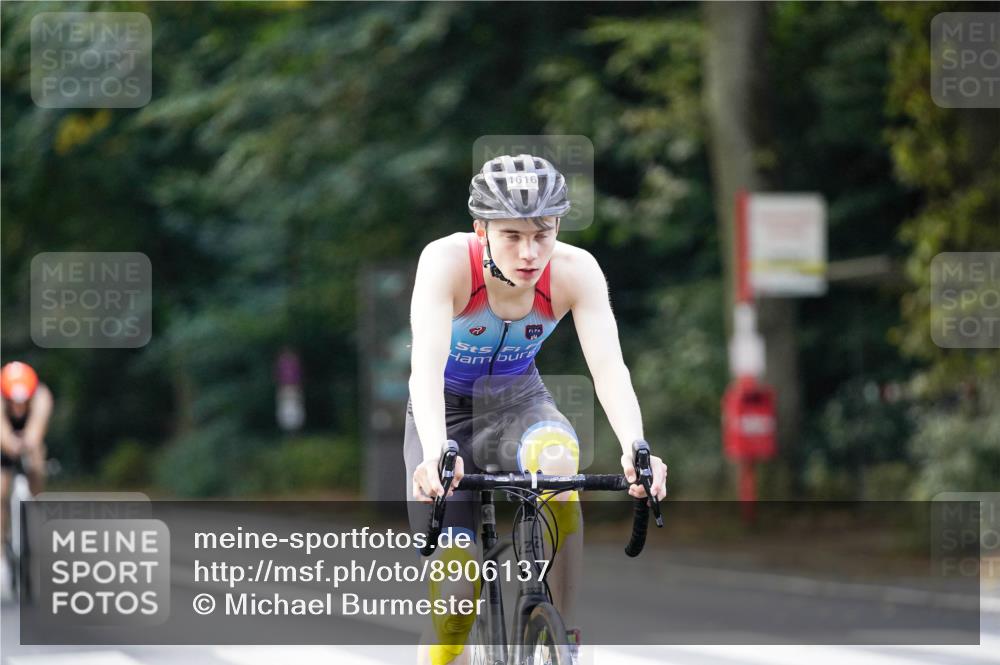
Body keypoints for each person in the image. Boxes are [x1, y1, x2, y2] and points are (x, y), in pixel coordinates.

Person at [405, 154, 668, 665]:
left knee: (559, 463)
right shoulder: (445, 263)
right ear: (481, 230)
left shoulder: (575, 271)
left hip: (518, 403)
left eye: (542, 234)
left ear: (558, 228)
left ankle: (561, 636)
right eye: (512, 236)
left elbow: (610, 369)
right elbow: (426, 369)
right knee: (456, 605)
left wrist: (637, 448)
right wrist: (437, 451)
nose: (530, 253)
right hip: (445, 412)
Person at [1, 361, 53, 599]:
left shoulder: (42, 396)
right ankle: (3, 544)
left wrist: (29, 442)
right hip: (4, 444)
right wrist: (11, 443)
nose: (19, 406)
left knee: (37, 459)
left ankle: (36, 497)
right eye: (14, 401)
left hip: (28, 441)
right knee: (1, 490)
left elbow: (36, 429)